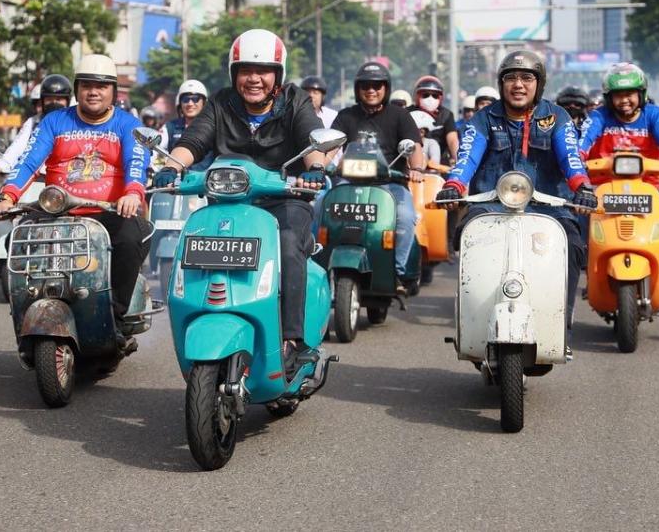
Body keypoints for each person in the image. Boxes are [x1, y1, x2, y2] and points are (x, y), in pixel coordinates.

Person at [152, 29, 329, 376]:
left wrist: (316, 169)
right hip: (227, 202)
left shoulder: (295, 101)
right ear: (235, 73)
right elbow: (195, 138)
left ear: (277, 74)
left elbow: (313, 138)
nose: (254, 79)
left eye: (263, 71)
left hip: (284, 200)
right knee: (194, 241)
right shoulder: (220, 103)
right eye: (246, 70)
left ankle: (293, 341)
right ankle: (200, 316)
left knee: (290, 241)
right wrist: (172, 166)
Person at [436, 50, 596, 357]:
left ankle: (561, 322)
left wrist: (582, 187)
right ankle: (470, 320)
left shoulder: (557, 117)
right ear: (501, 84)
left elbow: (570, 158)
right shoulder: (483, 119)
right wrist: (453, 185)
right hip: (490, 206)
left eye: (526, 78)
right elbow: (466, 156)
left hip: (548, 208)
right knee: (465, 237)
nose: (518, 85)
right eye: (511, 78)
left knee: (573, 244)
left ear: (539, 83)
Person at [0, 55, 150, 343]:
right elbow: (29, 162)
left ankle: (115, 317)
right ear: (77, 89)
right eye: (87, 85)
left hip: (108, 213)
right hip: (58, 211)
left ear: (113, 91)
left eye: (101, 86)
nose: (93, 91)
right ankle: (27, 313)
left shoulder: (128, 124)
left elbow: (135, 163)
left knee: (132, 238)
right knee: (21, 241)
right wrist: (7, 194)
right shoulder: (55, 121)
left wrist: (132, 192)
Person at [579, 62, 659, 281]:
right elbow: (584, 140)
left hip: (648, 186)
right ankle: (585, 259)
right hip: (604, 187)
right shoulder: (598, 116)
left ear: (641, 94)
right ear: (610, 98)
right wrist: (578, 158)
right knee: (582, 210)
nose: (625, 100)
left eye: (630, 94)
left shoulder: (655, 115)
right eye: (619, 95)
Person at [331, 62, 424, 293]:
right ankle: (318, 267)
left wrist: (417, 169)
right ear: (357, 88)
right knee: (322, 206)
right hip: (349, 182)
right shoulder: (346, 116)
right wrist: (317, 165)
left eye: (377, 85)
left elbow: (415, 146)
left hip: (390, 184)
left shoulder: (400, 115)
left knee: (404, 215)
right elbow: (330, 147)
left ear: (386, 88)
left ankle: (398, 271)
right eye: (365, 85)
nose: (371, 90)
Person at [0, 74, 72, 174]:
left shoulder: (74, 122)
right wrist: (1, 165)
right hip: (36, 178)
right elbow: (18, 145)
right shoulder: (33, 123)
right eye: (49, 99)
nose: (54, 103)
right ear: (43, 101)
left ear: (67, 101)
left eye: (58, 99)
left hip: (67, 179)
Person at [410, 75, 458, 165]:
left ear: (440, 98)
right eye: (426, 95)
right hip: (410, 164)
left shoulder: (446, 115)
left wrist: (459, 161)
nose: (430, 98)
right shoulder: (407, 113)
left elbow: (452, 140)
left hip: (440, 167)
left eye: (435, 95)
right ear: (417, 96)